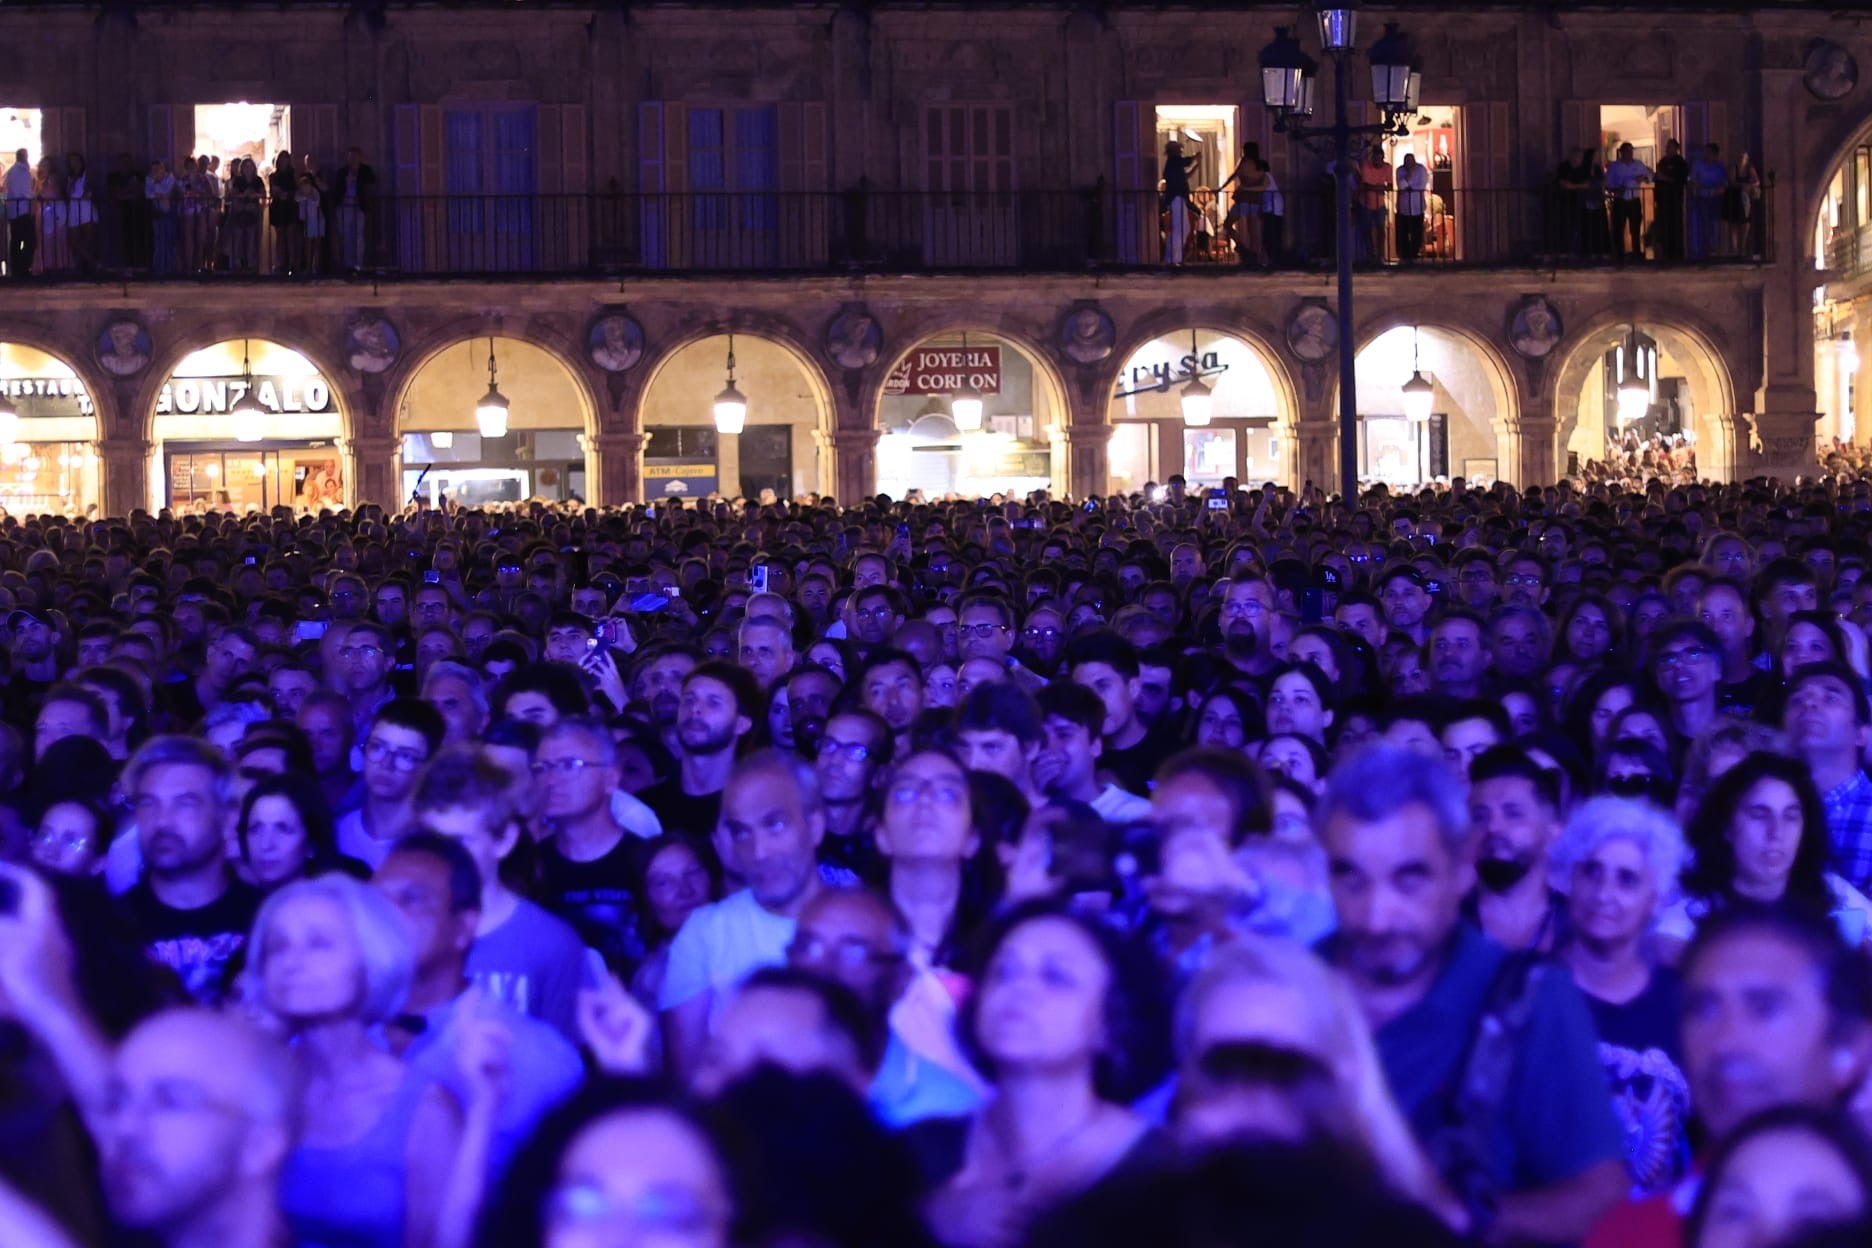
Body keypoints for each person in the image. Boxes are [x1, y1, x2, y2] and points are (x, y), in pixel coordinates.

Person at [1318, 745, 1627, 1242]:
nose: (1377, 917)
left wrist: (1457, 1215)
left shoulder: (1530, 1000)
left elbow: (1598, 1198)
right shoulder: (1290, 987)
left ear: (1461, 870)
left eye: (1409, 879)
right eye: (1352, 879)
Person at [245, 873, 487, 1248]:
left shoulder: (425, 1110)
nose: (292, 962)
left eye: (319, 944)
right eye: (277, 947)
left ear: (371, 960)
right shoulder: (253, 1092)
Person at [911, 901, 1171, 1248]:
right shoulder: (922, 1149)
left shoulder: (1168, 1174)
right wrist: (920, 1222)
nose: (1019, 989)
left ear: (1112, 1022)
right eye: (1002, 971)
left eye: (1056, 977)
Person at [373, 833, 586, 1182]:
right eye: (376, 903)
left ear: (463, 927)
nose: (387, 917)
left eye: (412, 900)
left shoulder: (538, 1060)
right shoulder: (335, 1037)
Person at [1550, 796, 1693, 1194]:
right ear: (1568, 879)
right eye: (1591, 872)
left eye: (1627, 879)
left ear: (1657, 898)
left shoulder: (1683, 1003)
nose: (1603, 893)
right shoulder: (1522, 993)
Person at [660, 750, 828, 1078]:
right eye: (741, 832)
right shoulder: (704, 933)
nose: (758, 851)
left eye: (775, 825)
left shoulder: (860, 922)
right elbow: (689, 1080)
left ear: (815, 826)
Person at [413, 747, 587, 1040]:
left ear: (504, 840)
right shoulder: (400, 932)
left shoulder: (552, 944)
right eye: (433, 841)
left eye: (461, 842)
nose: (445, 857)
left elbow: (566, 1066)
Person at [1665, 751, 1872, 955]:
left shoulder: (1835, 892)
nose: (1776, 832)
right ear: (1726, 825)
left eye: (1790, 817)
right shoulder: (1689, 914)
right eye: (1759, 815)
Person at [637, 661, 758, 837]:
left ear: (741, 724)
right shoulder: (644, 810)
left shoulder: (756, 810)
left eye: (713, 703)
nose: (695, 709)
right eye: (688, 700)